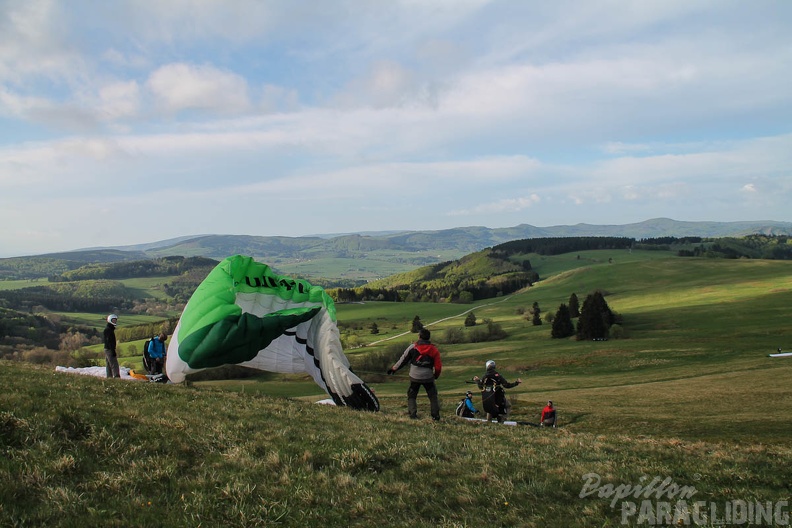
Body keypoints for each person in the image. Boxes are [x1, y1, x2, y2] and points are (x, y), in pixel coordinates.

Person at [387, 328, 442, 420]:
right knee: (433, 396)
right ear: (428, 338)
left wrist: (394, 369)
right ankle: (435, 416)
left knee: (412, 395)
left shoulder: (413, 347)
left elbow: (403, 360)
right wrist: (435, 375)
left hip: (414, 376)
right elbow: (438, 367)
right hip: (428, 377)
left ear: (419, 337)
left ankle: (413, 414)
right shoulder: (434, 349)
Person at [103, 314, 121, 378]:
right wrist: (113, 350)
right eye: (113, 320)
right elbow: (109, 341)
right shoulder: (108, 330)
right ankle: (116, 377)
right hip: (109, 349)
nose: (115, 322)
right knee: (114, 364)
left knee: (108, 364)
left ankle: (109, 377)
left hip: (107, 348)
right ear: (109, 320)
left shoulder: (109, 329)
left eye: (115, 320)